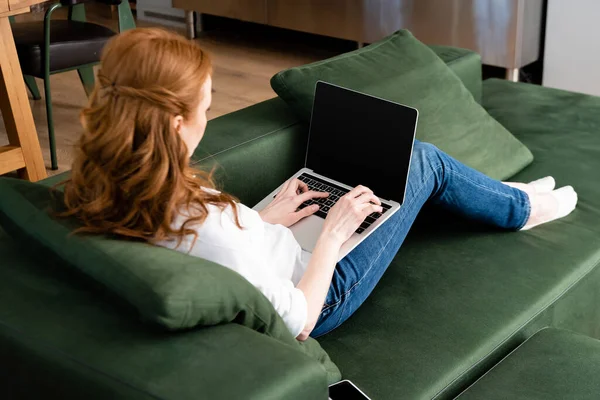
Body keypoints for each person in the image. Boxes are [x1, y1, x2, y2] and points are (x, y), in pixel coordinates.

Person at [60, 28, 578, 341]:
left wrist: (262, 221)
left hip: (273, 247)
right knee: (421, 164)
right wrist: (333, 232)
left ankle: (510, 198)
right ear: (175, 123)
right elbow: (299, 321)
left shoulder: (102, 189)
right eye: (207, 108)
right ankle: (519, 208)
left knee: (344, 179)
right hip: (318, 292)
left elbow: (217, 251)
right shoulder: (212, 229)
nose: (207, 118)